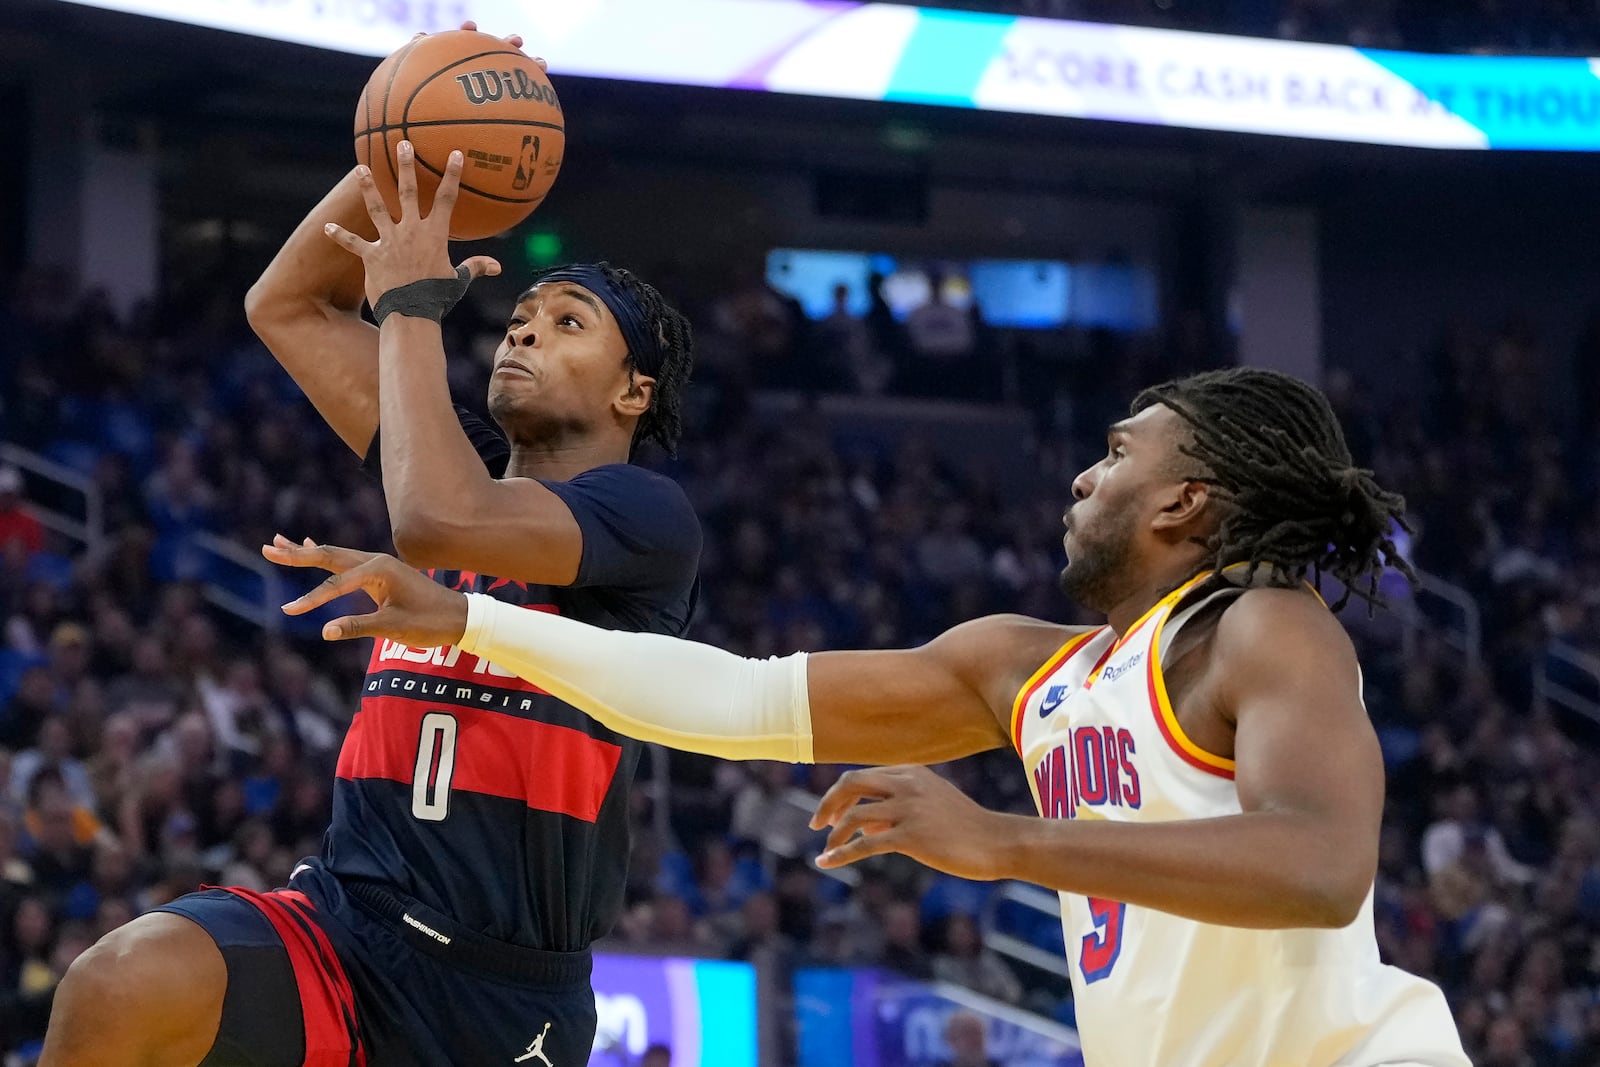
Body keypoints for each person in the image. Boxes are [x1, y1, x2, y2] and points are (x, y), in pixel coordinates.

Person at [268, 367, 1471, 1066]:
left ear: (1188, 499)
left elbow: (1318, 863)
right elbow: (734, 699)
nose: (1082, 476)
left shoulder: (1259, 625)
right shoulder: (1025, 671)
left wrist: (1002, 842)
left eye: (1116, 454)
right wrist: (471, 623)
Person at [41, 32, 701, 1067]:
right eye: (520, 314)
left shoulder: (643, 518)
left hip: (497, 989)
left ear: (633, 391)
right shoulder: (461, 462)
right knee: (121, 979)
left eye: (566, 323)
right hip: (345, 925)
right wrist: (412, 144)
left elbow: (438, 522)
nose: (523, 332)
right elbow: (288, 304)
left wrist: (406, 306)